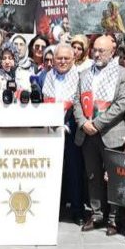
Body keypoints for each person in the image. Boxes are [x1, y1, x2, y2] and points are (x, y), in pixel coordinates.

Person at [75, 34, 125, 234]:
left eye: (102, 51)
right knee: (93, 176)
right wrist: (83, 123)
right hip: (87, 133)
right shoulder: (84, 74)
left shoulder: (123, 74)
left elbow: (121, 105)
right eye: (95, 50)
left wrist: (97, 124)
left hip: (110, 133)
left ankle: (114, 218)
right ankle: (97, 213)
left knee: (114, 177)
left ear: (112, 52)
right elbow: (76, 102)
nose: (97, 54)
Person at [42, 43, 85, 228]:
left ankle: (77, 210)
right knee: (52, 171)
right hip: (51, 128)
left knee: (74, 171)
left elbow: (80, 103)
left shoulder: (80, 76)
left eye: (66, 58)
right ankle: (54, 209)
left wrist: (67, 123)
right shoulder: (48, 75)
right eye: (59, 58)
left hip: (72, 129)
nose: (62, 61)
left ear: (73, 59)